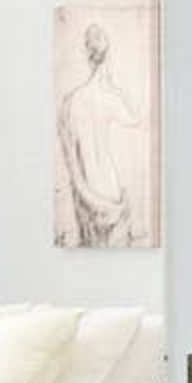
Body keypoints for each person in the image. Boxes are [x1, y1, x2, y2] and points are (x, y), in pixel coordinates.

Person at [57, 19, 146, 247]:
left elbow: (72, 167)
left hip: (88, 197)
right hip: (112, 192)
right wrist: (115, 88)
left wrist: (88, 197)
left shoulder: (68, 104)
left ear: (86, 54)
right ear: (108, 56)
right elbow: (137, 117)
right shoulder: (110, 99)